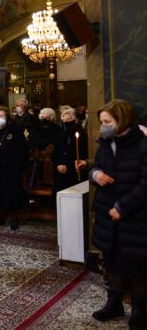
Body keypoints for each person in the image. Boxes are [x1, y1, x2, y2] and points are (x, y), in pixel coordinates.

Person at [89, 99, 147, 330]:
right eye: (102, 121)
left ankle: (139, 310)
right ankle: (114, 303)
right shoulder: (105, 142)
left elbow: (145, 184)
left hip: (135, 217)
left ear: (122, 120)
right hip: (107, 212)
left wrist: (123, 207)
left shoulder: (142, 145)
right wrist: (96, 175)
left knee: (137, 265)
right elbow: (96, 166)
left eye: (108, 122)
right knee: (111, 262)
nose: (103, 126)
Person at [0, 106, 29, 229]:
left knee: (12, 193)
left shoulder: (15, 131)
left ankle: (13, 218)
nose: (0, 118)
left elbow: (24, 151)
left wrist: (21, 169)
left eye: (2, 116)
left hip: (12, 169)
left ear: (7, 117)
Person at [52, 108, 88, 195]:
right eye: (64, 120)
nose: (66, 122)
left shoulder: (82, 135)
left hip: (74, 173)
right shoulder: (60, 135)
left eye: (68, 119)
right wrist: (57, 165)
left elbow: (82, 154)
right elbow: (55, 153)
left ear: (75, 120)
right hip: (60, 173)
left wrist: (68, 166)